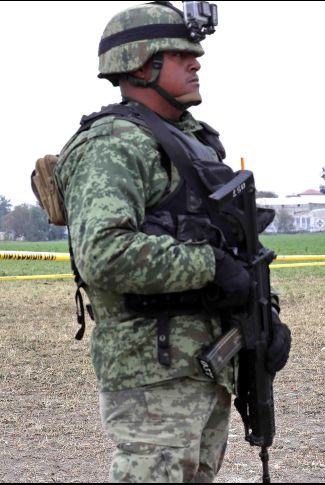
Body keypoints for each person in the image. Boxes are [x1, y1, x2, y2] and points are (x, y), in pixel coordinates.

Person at [53, 2, 289, 482]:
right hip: (151, 372)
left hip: (204, 364)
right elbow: (103, 253)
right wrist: (212, 267)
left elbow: (234, 248)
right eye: (182, 55)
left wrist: (263, 314)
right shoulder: (114, 143)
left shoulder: (192, 142)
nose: (197, 62)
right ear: (141, 64)